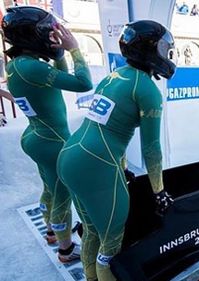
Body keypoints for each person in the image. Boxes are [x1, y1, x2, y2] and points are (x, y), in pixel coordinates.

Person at [57, 20, 176, 281]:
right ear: (150, 50)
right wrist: (159, 190)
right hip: (98, 165)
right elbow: (152, 150)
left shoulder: (112, 77)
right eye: (164, 48)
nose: (167, 54)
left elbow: (105, 124)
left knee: (90, 231)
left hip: (70, 156)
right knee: (111, 246)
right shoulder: (147, 90)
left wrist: (122, 169)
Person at [2, 6, 92, 262]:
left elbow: (59, 76)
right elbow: (83, 83)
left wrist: (58, 52)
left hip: (36, 136)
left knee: (49, 188)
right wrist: (74, 48)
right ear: (33, 35)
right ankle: (66, 249)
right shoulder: (31, 68)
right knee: (62, 196)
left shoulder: (20, 65)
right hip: (52, 141)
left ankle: (52, 232)